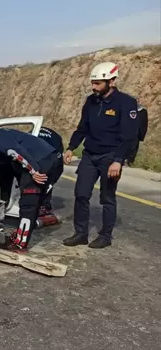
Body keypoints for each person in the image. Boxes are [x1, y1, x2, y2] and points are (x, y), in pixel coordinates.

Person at [62, 62, 138, 249]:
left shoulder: (126, 103)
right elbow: (83, 128)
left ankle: (105, 236)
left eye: (98, 83)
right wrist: (71, 147)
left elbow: (129, 137)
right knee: (81, 194)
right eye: (93, 83)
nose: (94, 87)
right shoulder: (91, 101)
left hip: (111, 157)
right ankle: (81, 234)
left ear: (111, 81)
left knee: (107, 198)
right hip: (90, 154)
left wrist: (118, 161)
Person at [0, 118, 63, 253]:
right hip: (52, 160)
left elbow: (14, 151)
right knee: (33, 205)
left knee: (28, 205)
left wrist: (33, 170)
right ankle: (21, 236)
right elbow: (8, 162)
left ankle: (20, 244)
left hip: (41, 162)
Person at [37, 126, 64, 216]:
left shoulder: (55, 155)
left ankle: (44, 205)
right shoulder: (29, 140)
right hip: (37, 152)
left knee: (47, 182)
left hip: (53, 159)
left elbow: (58, 169)